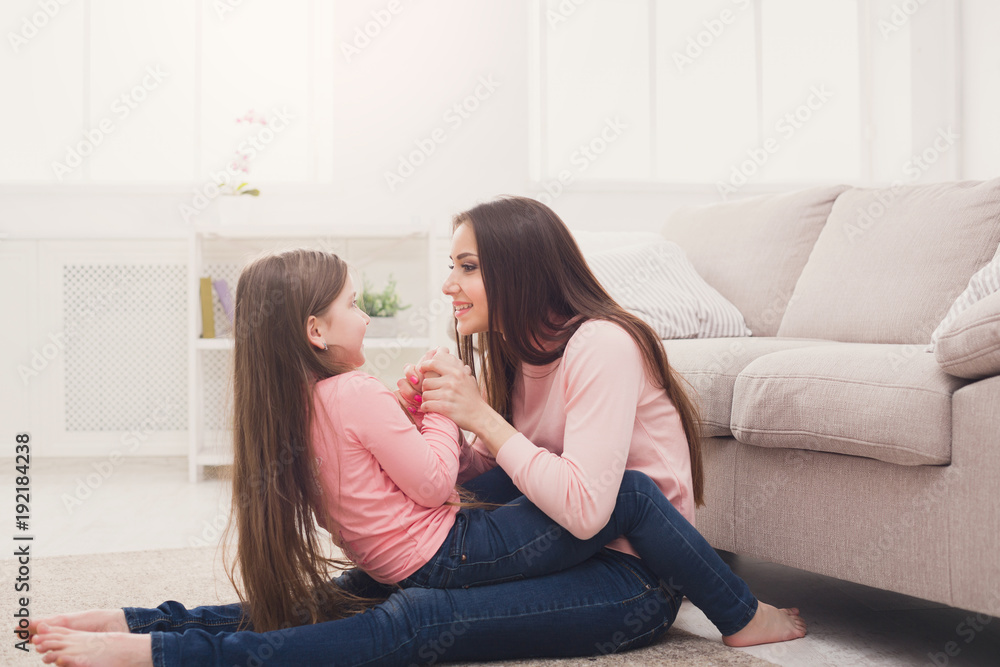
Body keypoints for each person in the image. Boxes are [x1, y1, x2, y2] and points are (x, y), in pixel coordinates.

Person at [27, 197, 805, 666]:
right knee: (349, 594)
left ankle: (167, 656)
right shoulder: (508, 354)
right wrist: (438, 422)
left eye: (466, 266)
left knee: (417, 618)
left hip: (628, 575)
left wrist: (476, 421)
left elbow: (591, 504)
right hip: (551, 540)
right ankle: (150, 621)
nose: (446, 284)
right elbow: (471, 470)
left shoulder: (599, 345)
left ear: (517, 269)